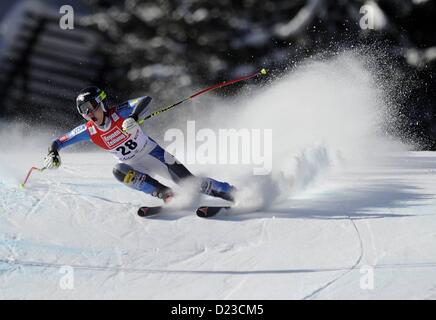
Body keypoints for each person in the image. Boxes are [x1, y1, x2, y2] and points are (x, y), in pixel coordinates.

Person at [44, 86, 236, 204]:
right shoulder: (89, 130)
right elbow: (59, 141)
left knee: (190, 184)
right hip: (133, 165)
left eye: (90, 107)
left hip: (155, 156)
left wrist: (134, 117)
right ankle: (165, 194)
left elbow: (145, 100)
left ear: (101, 103)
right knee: (119, 171)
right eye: (83, 111)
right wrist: (54, 153)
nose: (89, 114)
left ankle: (234, 193)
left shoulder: (119, 112)